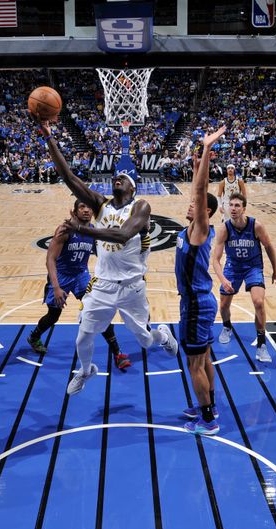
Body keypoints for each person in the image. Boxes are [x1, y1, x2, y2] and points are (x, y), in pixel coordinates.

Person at [37, 118, 178, 396]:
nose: (118, 177)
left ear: (132, 187)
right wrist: (49, 138)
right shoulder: (100, 205)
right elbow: (69, 178)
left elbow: (123, 235)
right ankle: (87, 369)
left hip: (131, 286)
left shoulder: (141, 206)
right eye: (116, 176)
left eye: (123, 177)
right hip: (101, 284)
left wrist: (81, 228)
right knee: (84, 335)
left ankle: (164, 335)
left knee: (146, 341)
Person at [27, 199, 130, 370]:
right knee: (53, 316)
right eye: (82, 206)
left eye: (89, 207)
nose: (86, 210)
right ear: (74, 211)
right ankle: (34, 336)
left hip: (81, 275)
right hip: (61, 276)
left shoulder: (92, 231)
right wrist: (57, 287)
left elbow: (104, 253)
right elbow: (50, 259)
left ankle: (117, 353)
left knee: (98, 311)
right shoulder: (64, 230)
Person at [176, 127, 225, 436]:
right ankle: (210, 406)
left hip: (196, 304)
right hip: (198, 302)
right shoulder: (192, 228)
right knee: (204, 357)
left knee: (195, 364)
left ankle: (208, 421)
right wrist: (195, 167)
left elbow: (201, 191)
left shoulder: (200, 229)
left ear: (205, 212)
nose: (190, 203)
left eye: (196, 204)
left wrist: (206, 152)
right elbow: (197, 190)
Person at [212, 192, 276, 362]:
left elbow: (269, 246)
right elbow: (215, 259)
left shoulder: (256, 226)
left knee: (258, 302)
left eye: (237, 206)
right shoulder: (224, 228)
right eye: (231, 205)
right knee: (224, 303)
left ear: (244, 208)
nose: (233, 208)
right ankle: (227, 327)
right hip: (233, 267)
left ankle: (262, 344)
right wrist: (223, 279)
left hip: (253, 267)